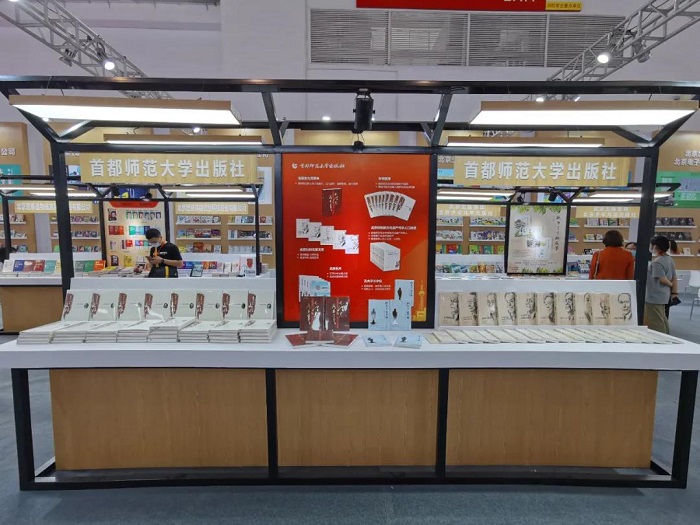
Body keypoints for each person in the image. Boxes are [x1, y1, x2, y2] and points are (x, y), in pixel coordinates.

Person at [644, 235, 678, 334]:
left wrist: (670, 284)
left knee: (655, 321)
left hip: (655, 295)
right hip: (663, 294)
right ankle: (667, 336)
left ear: (655, 246)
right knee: (662, 317)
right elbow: (673, 276)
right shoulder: (669, 259)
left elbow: (662, 279)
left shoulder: (657, 262)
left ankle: (662, 338)